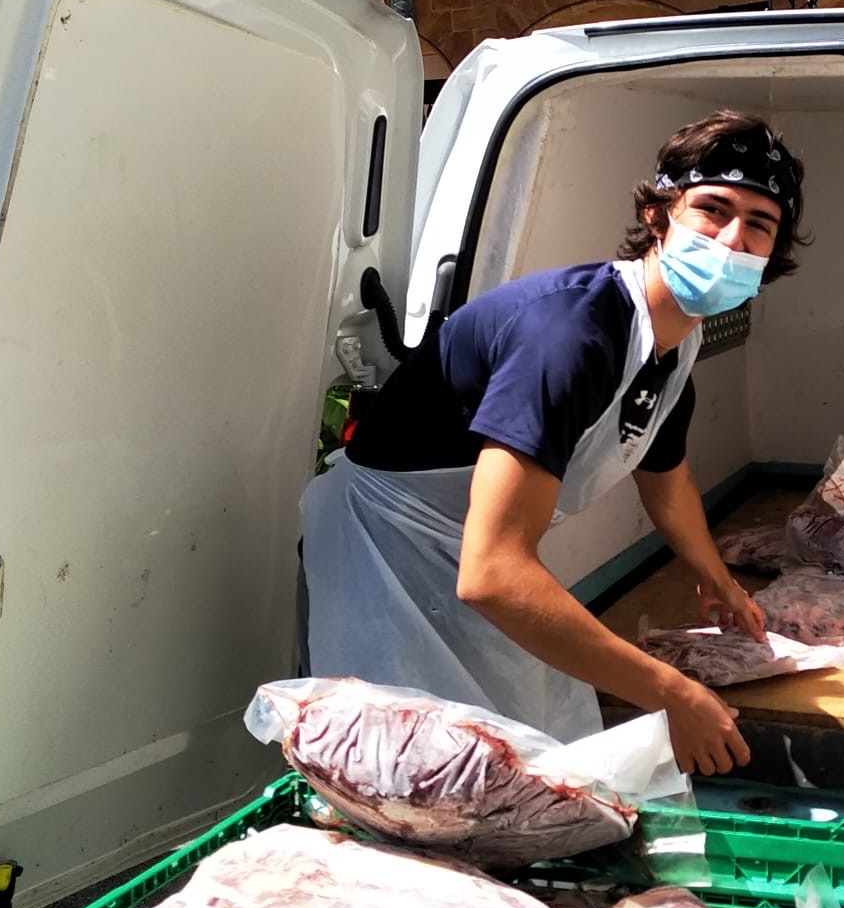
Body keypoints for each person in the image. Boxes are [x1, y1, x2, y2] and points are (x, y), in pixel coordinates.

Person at [299, 110, 808, 775]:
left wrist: (717, 580)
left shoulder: (671, 353)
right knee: (404, 768)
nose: (733, 239)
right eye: (713, 209)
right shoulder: (571, 335)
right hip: (386, 546)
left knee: (520, 757)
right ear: (659, 216)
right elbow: (492, 574)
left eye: (759, 225)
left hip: (471, 550)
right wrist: (670, 692)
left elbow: (666, 477)